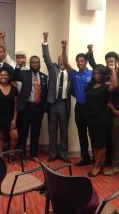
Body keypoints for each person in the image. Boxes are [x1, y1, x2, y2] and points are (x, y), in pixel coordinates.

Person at [42, 32, 72, 163]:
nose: (61, 61)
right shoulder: (52, 69)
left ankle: (63, 153)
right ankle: (53, 153)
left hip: (64, 104)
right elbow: (46, 56)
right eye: (59, 59)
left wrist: (64, 49)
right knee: (52, 129)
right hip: (53, 103)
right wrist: (45, 40)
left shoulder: (71, 72)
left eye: (63, 59)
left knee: (64, 130)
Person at [61, 40, 92, 166]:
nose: (79, 63)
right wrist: (64, 48)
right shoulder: (74, 74)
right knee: (82, 134)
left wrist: (90, 52)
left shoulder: (93, 73)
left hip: (91, 108)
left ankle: (97, 159)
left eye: (82, 61)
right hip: (79, 108)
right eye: (78, 61)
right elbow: (65, 62)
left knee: (93, 134)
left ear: (86, 62)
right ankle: (85, 158)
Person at [13, 55, 48, 164]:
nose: (35, 64)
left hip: (38, 108)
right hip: (26, 107)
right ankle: (22, 156)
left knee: (35, 132)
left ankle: (33, 154)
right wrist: (18, 65)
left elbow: (45, 93)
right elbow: (14, 77)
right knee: (23, 133)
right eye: (33, 62)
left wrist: (44, 107)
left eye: (37, 62)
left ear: (39, 63)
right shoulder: (24, 74)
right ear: (30, 63)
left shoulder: (44, 76)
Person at [86, 64, 118, 177]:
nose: (96, 75)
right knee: (95, 143)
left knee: (101, 143)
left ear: (103, 74)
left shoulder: (106, 86)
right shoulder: (90, 86)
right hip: (91, 118)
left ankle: (97, 167)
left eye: (98, 73)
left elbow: (116, 85)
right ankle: (97, 163)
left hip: (103, 118)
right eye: (94, 73)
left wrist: (113, 69)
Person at [0, 68, 18, 163]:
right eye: (1, 75)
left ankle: (11, 155)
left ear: (9, 76)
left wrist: (14, 119)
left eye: (5, 75)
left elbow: (16, 105)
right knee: (0, 137)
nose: (3, 77)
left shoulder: (14, 88)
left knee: (14, 136)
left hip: (11, 116)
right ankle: (1, 156)